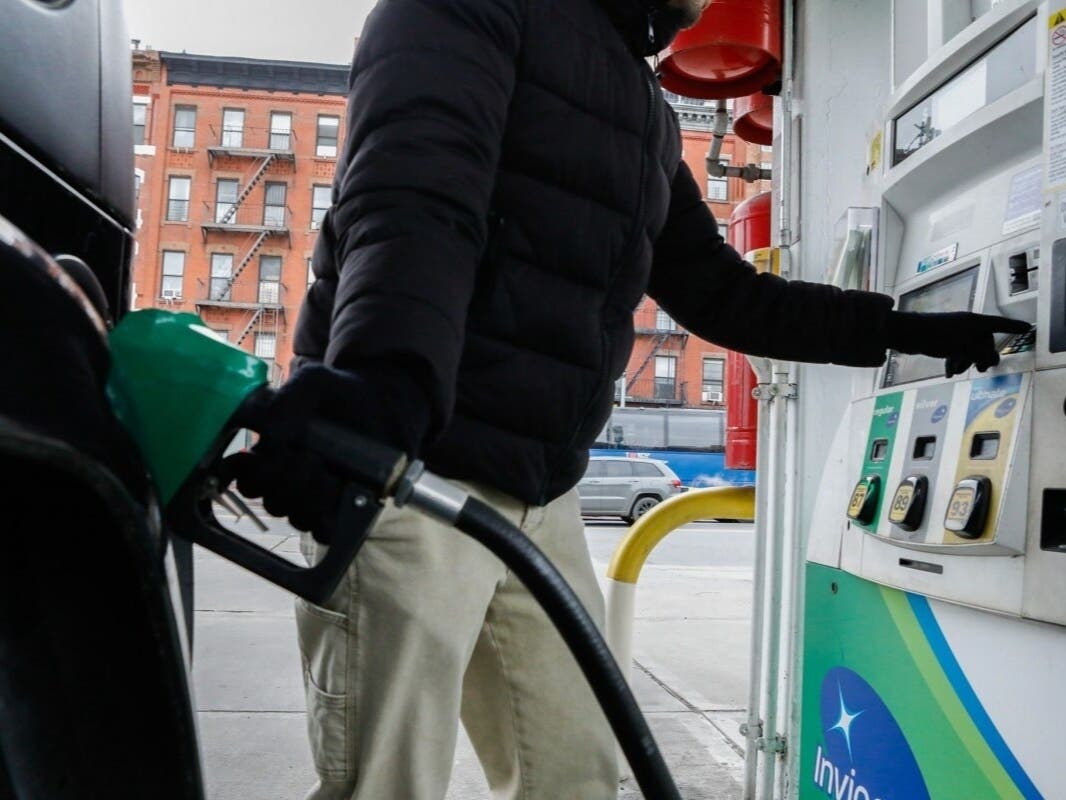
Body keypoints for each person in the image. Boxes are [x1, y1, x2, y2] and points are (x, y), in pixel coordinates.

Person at [234, 0, 1029, 797]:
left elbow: (725, 296)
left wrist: (902, 330)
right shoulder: (469, 10)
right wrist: (382, 388)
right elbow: (414, 196)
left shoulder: (641, 109)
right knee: (386, 783)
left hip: (541, 492)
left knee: (577, 771)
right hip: (413, 470)